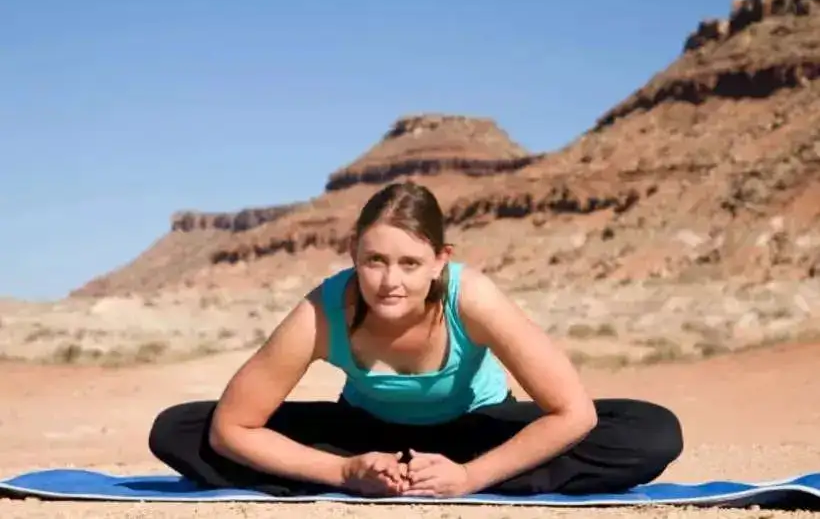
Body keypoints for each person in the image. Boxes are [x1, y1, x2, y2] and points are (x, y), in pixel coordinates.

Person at [148, 181, 683, 498]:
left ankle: (460, 481)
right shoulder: (326, 309)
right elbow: (233, 426)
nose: (390, 281)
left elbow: (574, 412)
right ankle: (380, 480)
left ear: (440, 261)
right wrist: (343, 469)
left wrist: (470, 477)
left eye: (410, 263)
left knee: (652, 431)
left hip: (478, 434)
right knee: (181, 429)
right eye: (374, 260)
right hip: (364, 440)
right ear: (353, 250)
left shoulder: (471, 297)